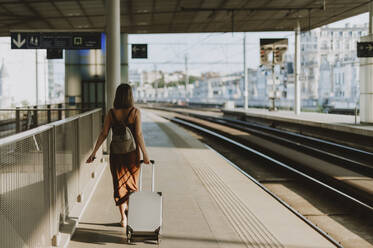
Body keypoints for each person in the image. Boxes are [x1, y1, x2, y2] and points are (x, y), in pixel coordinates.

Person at [86, 83, 150, 228]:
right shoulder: (135, 112)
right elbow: (138, 135)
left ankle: (123, 219)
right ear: (130, 96)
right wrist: (145, 155)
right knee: (131, 185)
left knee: (119, 185)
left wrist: (94, 153)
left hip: (116, 155)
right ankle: (132, 214)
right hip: (131, 155)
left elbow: (103, 133)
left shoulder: (111, 113)